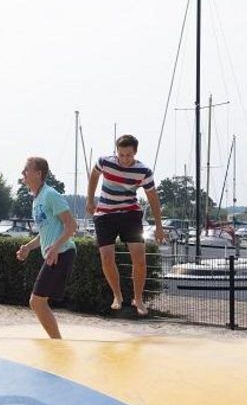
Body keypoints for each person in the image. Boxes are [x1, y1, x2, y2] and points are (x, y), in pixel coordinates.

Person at [87, 133, 166, 316]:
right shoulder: (105, 162)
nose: (124, 159)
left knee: (139, 259)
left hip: (130, 214)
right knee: (106, 258)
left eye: (128, 155)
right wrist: (90, 200)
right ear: (117, 152)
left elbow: (153, 198)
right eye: (121, 155)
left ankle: (138, 298)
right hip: (105, 214)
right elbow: (94, 175)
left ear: (135, 153)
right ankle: (117, 295)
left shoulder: (143, 171)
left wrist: (159, 226)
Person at [15, 156, 77, 338]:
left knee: (37, 302)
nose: (23, 173)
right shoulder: (36, 199)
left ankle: (57, 343)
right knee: (39, 302)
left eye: (26, 169)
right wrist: (27, 247)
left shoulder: (50, 194)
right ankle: (57, 342)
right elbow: (44, 233)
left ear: (38, 173)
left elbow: (72, 225)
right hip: (56, 253)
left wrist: (56, 247)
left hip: (63, 253)